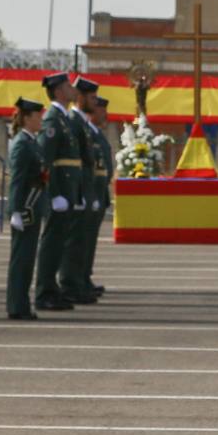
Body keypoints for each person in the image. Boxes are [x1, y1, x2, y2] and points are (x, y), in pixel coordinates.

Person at [34, 72, 82, 312]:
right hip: (59, 193)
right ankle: (44, 291)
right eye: (68, 86)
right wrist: (53, 194)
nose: (73, 89)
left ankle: (53, 288)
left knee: (59, 242)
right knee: (52, 242)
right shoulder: (52, 120)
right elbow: (46, 160)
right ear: (58, 91)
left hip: (68, 191)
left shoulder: (63, 119)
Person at [60, 77, 100, 305]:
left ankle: (78, 282)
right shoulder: (73, 122)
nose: (95, 102)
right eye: (92, 98)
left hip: (84, 190)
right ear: (82, 97)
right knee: (74, 242)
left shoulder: (80, 122)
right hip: (75, 190)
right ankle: (70, 284)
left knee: (81, 242)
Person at [6, 98, 47, 320]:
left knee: (27, 259)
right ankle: (16, 305)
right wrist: (15, 211)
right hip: (25, 208)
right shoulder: (22, 143)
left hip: (33, 205)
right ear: (27, 118)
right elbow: (17, 180)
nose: (41, 119)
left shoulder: (32, 142)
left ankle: (21, 303)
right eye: (37, 116)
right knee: (21, 260)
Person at [84, 98, 115, 296]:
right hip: (91, 191)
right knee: (83, 240)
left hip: (99, 191)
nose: (106, 116)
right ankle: (78, 279)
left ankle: (84, 277)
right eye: (102, 111)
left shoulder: (96, 133)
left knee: (90, 241)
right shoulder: (88, 133)